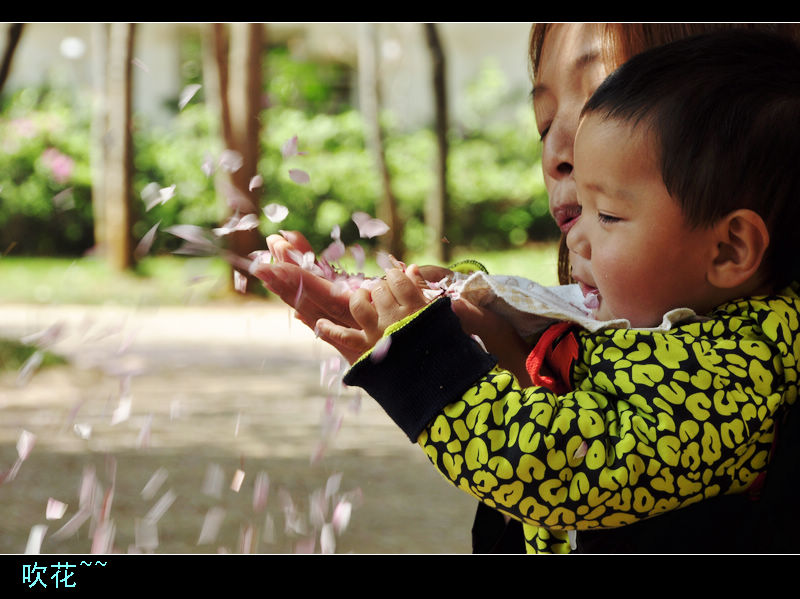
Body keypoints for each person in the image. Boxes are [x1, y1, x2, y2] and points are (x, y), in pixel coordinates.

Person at [255, 23, 800, 553]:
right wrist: (459, 312)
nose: (560, 150)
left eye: (598, 99)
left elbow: (564, 469)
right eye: (543, 122)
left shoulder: (735, 370)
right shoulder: (681, 316)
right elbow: (544, 317)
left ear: (729, 249)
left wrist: (425, 366)